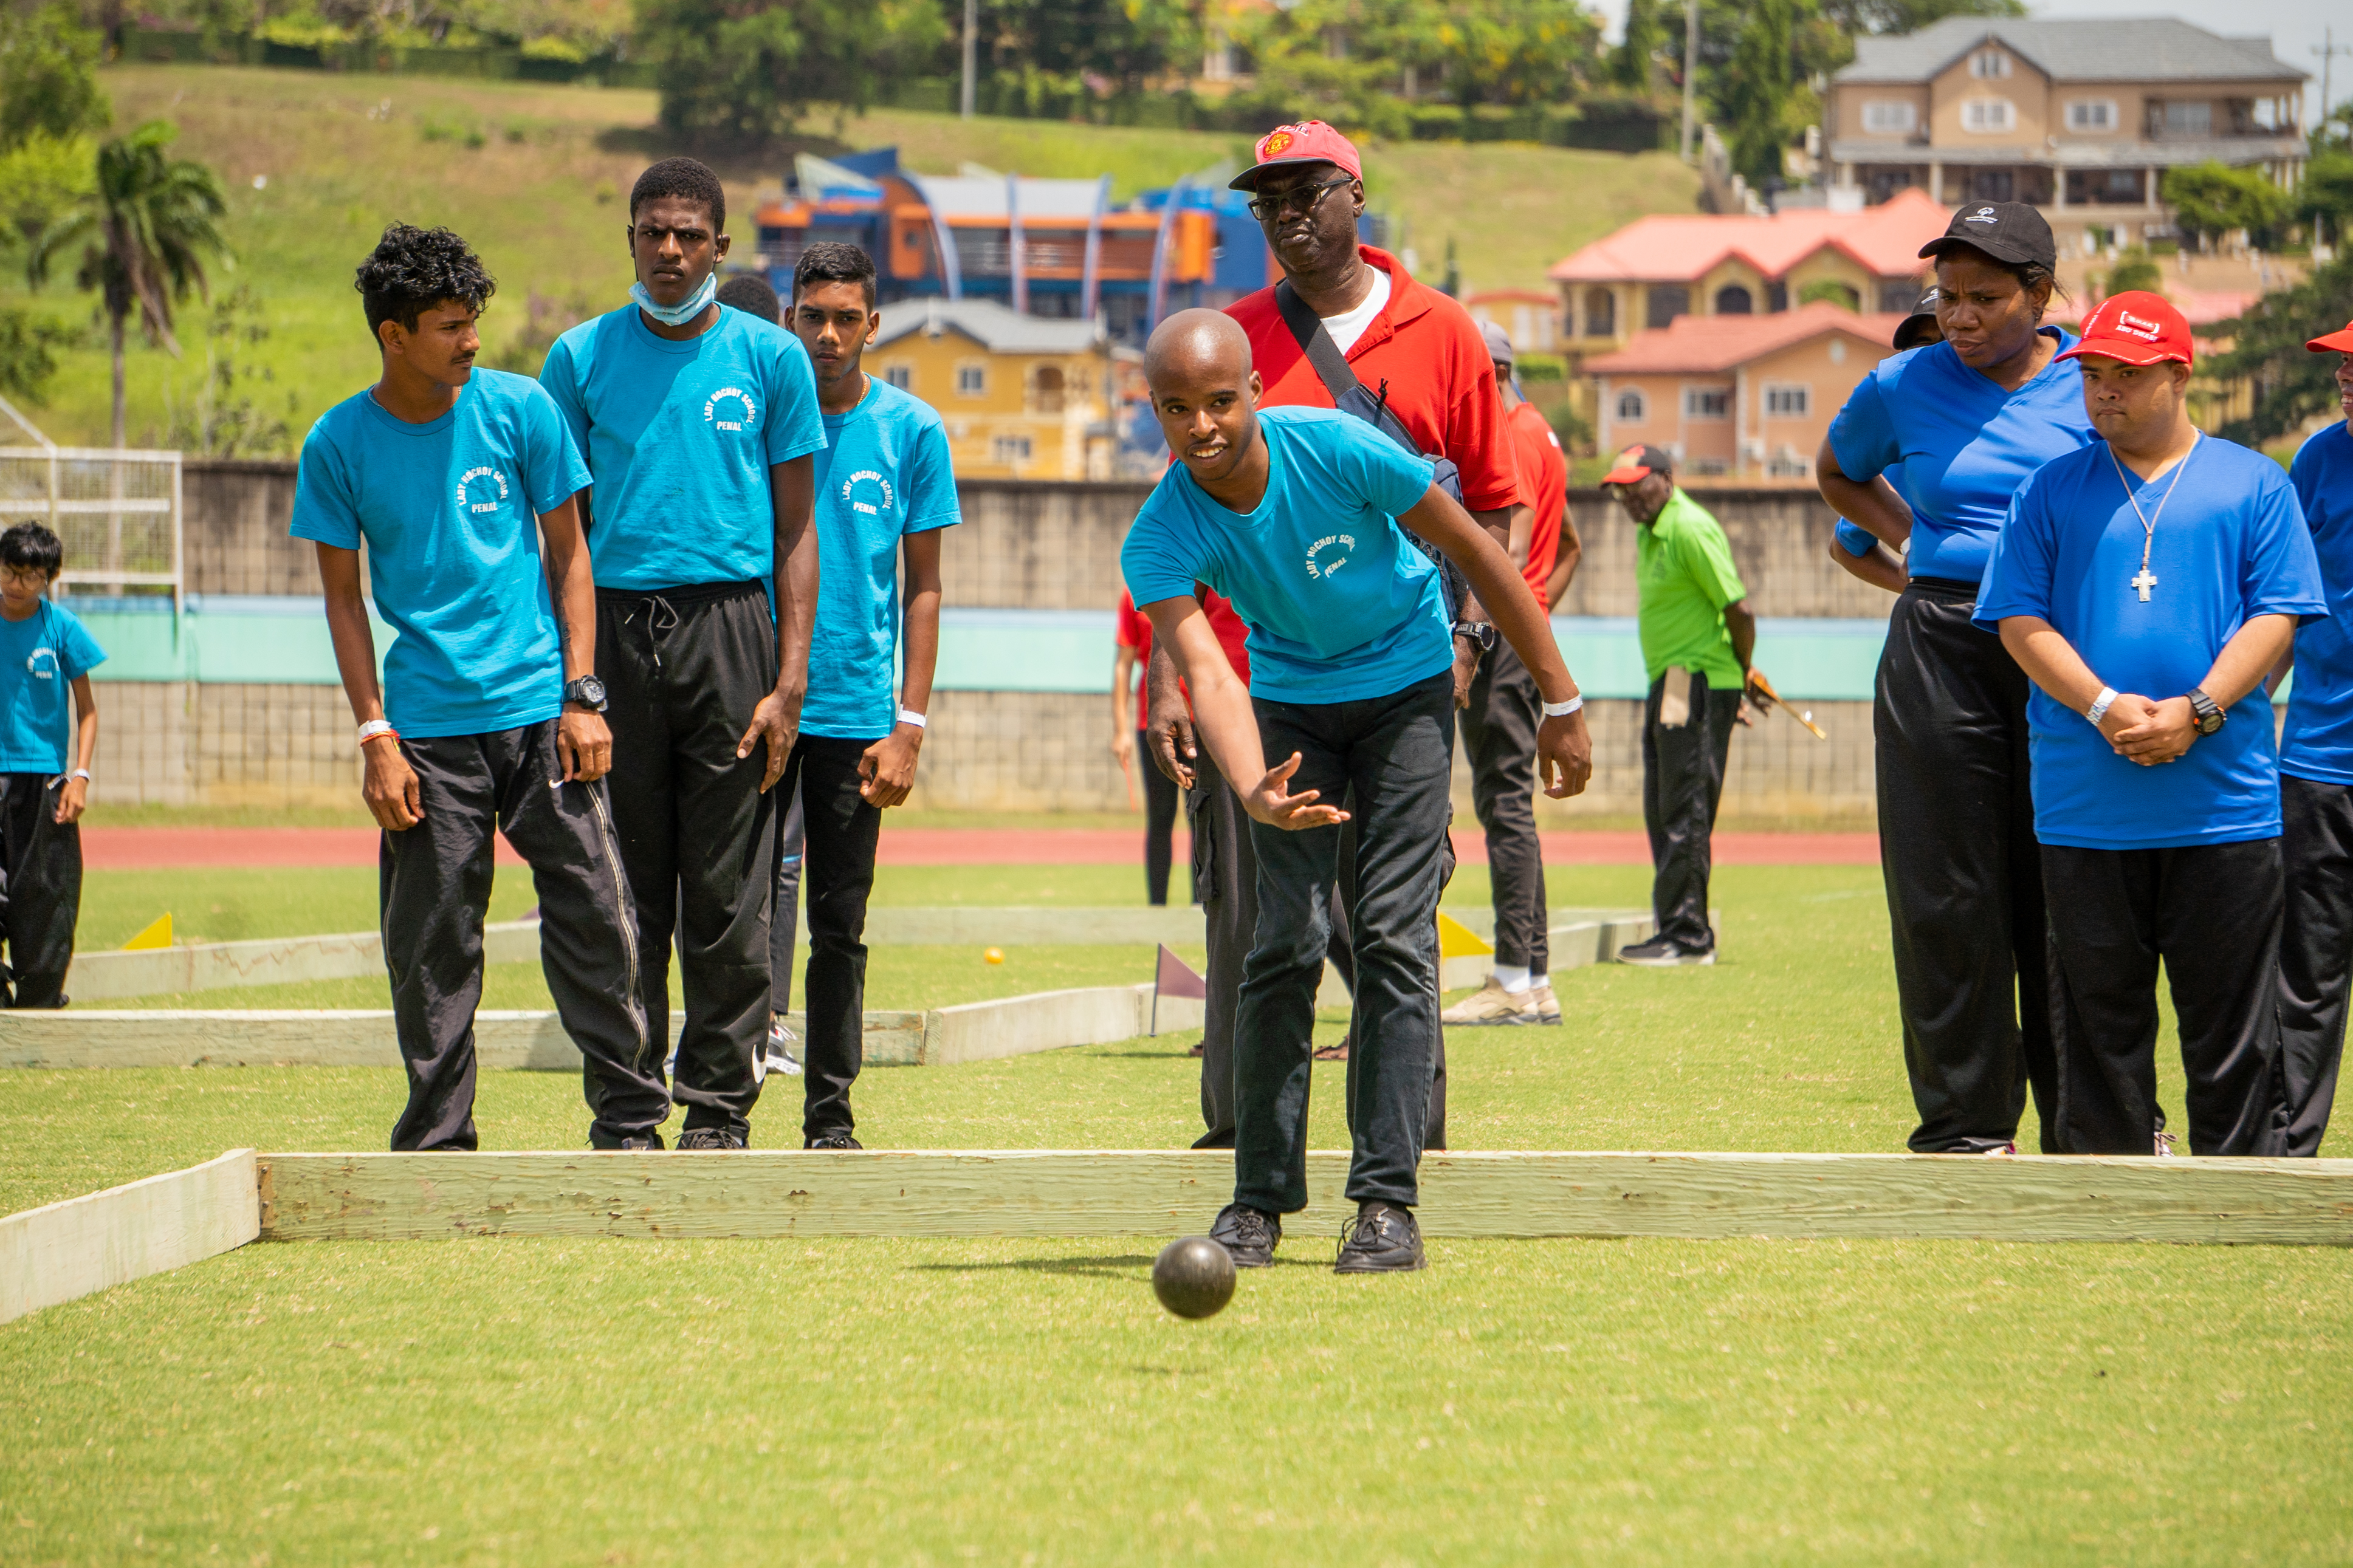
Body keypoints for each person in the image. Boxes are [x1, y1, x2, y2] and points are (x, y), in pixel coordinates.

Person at [1126, 309, 1592, 1273]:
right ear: (1157, 413)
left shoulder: (1337, 448)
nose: (1203, 427)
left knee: (1391, 931)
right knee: (1282, 943)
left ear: (1255, 392)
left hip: (1408, 691)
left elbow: (1477, 549)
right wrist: (1252, 786)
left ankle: (1387, 1203)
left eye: (1221, 401)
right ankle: (1257, 1202)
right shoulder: (1160, 533)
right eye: (1179, 410)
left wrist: (1562, 698)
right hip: (1293, 703)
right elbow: (1210, 673)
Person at [1148, 119, 1520, 1140]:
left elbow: (1492, 506)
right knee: (1257, 918)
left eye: (1308, 192)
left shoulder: (1444, 330)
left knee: (1394, 921)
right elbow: (1173, 523)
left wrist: (1468, 640)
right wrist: (1168, 683)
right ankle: (1242, 1134)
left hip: (1401, 668)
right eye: (1266, 201)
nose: (1287, 216)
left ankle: (1408, 1139)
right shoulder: (1223, 340)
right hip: (1252, 676)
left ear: (1356, 195)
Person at [293, 224, 662, 1151]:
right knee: (433, 944)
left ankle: (628, 1124)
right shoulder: (338, 443)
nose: (471, 342)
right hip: (424, 734)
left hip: (543, 716)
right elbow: (342, 602)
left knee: (596, 918)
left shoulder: (523, 410)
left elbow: (573, 559)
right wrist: (374, 737)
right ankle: (438, 1143)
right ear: (394, 335)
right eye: (450, 326)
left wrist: (584, 694)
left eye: (474, 322)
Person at [1978, 291, 2323, 1157]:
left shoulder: (2254, 482)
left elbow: (2278, 615)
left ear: (2178, 373)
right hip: (2084, 805)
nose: (2103, 393)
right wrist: (2100, 704)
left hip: (2224, 804)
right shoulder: (2049, 490)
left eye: (2125, 376)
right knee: (2097, 1020)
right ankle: (2104, 1180)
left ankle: (2241, 1188)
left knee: (2235, 1023)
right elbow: (2020, 618)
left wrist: (2199, 710)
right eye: (2091, 375)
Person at [540, 159, 826, 1151]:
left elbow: (796, 530)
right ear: (630, 240)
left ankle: (716, 1110)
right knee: (618, 889)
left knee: (725, 888)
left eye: (689, 235)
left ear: (720, 248)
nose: (670, 250)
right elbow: (561, 537)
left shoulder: (771, 360)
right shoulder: (575, 361)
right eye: (653, 232)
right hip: (613, 636)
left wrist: (789, 682)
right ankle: (626, 1110)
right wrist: (571, 680)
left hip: (731, 631)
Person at [1816, 202, 2097, 1155]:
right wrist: (1914, 539)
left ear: (2041, 294)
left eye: (1986, 298)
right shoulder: (1899, 383)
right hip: (1941, 640)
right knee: (1946, 893)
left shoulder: (2090, 379)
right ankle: (1967, 1125)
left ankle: (2097, 1119)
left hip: (2069, 642)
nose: (1962, 317)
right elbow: (1839, 473)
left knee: (2071, 884)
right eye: (1947, 297)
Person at [781, 241, 958, 1150]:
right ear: (788, 320)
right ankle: (717, 1109)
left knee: (838, 928)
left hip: (856, 717)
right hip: (758, 708)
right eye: (813, 316)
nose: (829, 334)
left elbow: (924, 586)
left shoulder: (913, 430)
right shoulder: (764, 423)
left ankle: (829, 1116)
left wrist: (910, 724)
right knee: (730, 917)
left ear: (873, 326)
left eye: (847, 317)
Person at [1444, 321, 1579, 1025]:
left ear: (1487, 372)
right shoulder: (1543, 433)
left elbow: (1511, 545)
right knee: (1510, 808)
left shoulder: (1511, 436)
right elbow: (1571, 548)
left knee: (1502, 806)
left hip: (1497, 637)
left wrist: (1494, 624)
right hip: (1521, 633)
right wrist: (1541, 611)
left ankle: (1515, 983)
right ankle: (1532, 977)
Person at [1602, 445, 1758, 965]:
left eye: (1637, 485)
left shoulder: (1688, 528)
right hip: (1673, 682)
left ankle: (1689, 938)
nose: (1628, 497)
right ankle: (1672, 927)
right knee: (1665, 807)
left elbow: (1739, 610)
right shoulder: (1653, 532)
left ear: (1667, 479)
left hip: (1696, 681)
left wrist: (1737, 675)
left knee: (1685, 809)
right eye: (1621, 488)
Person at [2273, 318, 2353, 1155]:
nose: (2348, 378)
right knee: (2306, 975)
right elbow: (2285, 609)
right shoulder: (2317, 463)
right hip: (2320, 759)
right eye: (2343, 366)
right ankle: (2285, 1161)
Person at [0, 521, 99, 1008]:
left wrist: (79, 776)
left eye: (30, 576)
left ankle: (38, 1005)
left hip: (43, 780)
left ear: (48, 579)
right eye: (10, 570)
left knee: (43, 894)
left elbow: (89, 711)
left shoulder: (61, 627)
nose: (17, 584)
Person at [1827, 293, 1940, 597]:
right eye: (1921, 346)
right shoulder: (1905, 454)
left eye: (1946, 343)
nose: (1936, 355)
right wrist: (1920, 588)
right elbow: (1845, 547)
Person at [1113, 591, 1180, 905]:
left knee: (1204, 816)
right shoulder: (1134, 593)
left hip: (1201, 721)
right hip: (1152, 721)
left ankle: (1203, 904)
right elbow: (1124, 664)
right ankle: (1157, 905)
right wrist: (1120, 730)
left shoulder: (1207, 579)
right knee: (1160, 817)